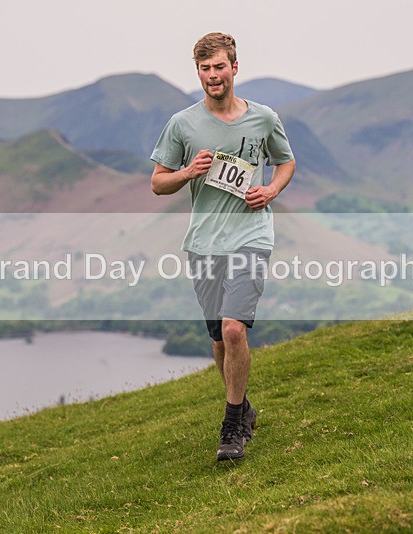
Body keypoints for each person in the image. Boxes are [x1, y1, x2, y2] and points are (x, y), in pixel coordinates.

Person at [150, 32, 296, 461]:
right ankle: (244, 407)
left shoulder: (264, 118)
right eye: (205, 69)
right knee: (219, 338)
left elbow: (286, 162)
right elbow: (158, 182)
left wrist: (270, 191)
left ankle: (232, 425)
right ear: (198, 73)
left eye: (219, 67)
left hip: (251, 233)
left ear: (235, 67)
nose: (213, 76)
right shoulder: (182, 124)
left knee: (234, 328)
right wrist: (186, 172)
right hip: (204, 242)